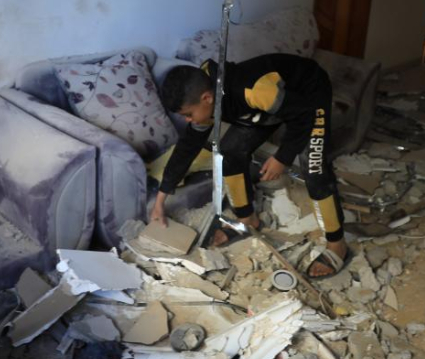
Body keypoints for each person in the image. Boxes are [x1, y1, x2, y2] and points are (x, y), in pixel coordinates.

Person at [150, 53, 350, 278]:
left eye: (188, 114)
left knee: (313, 167)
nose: (188, 120)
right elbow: (187, 148)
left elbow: (303, 116)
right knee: (230, 152)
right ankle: (247, 219)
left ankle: (337, 244)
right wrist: (161, 199)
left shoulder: (253, 91)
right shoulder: (207, 101)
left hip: (306, 96)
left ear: (207, 98)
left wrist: (282, 158)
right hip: (266, 108)